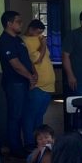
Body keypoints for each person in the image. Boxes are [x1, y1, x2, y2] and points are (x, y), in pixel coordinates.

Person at [0, 11, 36, 158]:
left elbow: (26, 59)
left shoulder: (18, 40)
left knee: (25, 115)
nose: (21, 24)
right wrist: (30, 77)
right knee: (15, 116)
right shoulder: (4, 40)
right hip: (14, 83)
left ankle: (25, 145)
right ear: (9, 23)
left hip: (24, 82)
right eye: (18, 21)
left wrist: (34, 73)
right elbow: (15, 64)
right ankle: (15, 148)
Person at [22, 19, 56, 148]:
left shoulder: (40, 39)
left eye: (41, 32)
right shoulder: (24, 41)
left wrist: (42, 44)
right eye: (38, 32)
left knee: (39, 116)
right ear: (30, 29)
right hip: (37, 86)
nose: (40, 35)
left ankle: (40, 143)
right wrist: (42, 45)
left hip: (48, 86)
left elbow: (47, 55)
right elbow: (37, 59)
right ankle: (30, 143)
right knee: (31, 116)